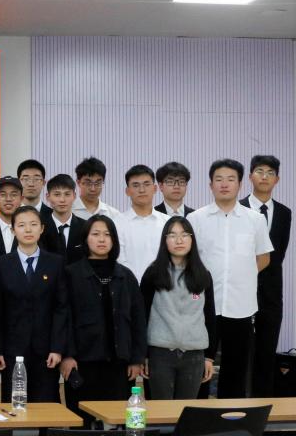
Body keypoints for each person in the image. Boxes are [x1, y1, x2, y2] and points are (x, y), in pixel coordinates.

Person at [189, 158, 272, 398]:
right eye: (219, 179)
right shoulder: (196, 219)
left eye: (230, 179)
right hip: (203, 305)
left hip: (241, 305)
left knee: (236, 369)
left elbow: (263, 258)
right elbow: (189, 261)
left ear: (240, 184)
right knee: (200, 368)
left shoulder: (255, 219)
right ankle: (199, 415)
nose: (224, 184)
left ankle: (232, 416)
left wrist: (243, 276)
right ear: (210, 185)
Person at [60, 215, 146, 420]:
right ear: (85, 239)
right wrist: (67, 355)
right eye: (96, 234)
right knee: (81, 421)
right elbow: (63, 318)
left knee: (119, 421)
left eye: (107, 235)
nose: (101, 239)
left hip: (119, 364)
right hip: (82, 363)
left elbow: (138, 320)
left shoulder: (126, 276)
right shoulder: (70, 274)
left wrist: (136, 359)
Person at [0, 206, 69, 403]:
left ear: (42, 228)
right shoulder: (1, 264)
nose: (28, 230)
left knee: (46, 404)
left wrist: (57, 348)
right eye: (21, 225)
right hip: (12, 349)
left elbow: (61, 308)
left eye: (33, 224)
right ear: (13, 230)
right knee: (15, 404)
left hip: (46, 350)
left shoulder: (55, 263)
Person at [140, 216, 217, 400]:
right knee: (161, 412)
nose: (179, 240)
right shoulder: (153, 274)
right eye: (172, 235)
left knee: (186, 411)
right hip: (160, 354)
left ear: (192, 239)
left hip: (194, 355)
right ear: (165, 240)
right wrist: (143, 355)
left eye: (184, 235)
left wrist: (209, 357)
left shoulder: (203, 275)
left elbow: (210, 316)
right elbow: (141, 315)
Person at [239, 155, 291, 397]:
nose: (264, 176)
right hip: (240, 291)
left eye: (270, 173)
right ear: (250, 176)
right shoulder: (237, 208)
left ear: (277, 179)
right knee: (239, 353)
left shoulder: (284, 212)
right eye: (259, 171)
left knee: (266, 352)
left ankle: (263, 405)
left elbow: (278, 254)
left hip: (271, 293)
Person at [116, 165, 170, 281]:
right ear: (127, 191)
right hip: (130, 287)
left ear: (155, 188)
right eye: (136, 185)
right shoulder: (117, 223)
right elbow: (119, 262)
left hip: (164, 287)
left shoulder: (168, 222)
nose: (142, 190)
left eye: (146, 184)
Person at [39, 174, 87, 262]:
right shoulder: (39, 228)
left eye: (67, 194)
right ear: (47, 197)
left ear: (74, 196)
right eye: (57, 194)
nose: (62, 200)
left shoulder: (86, 227)